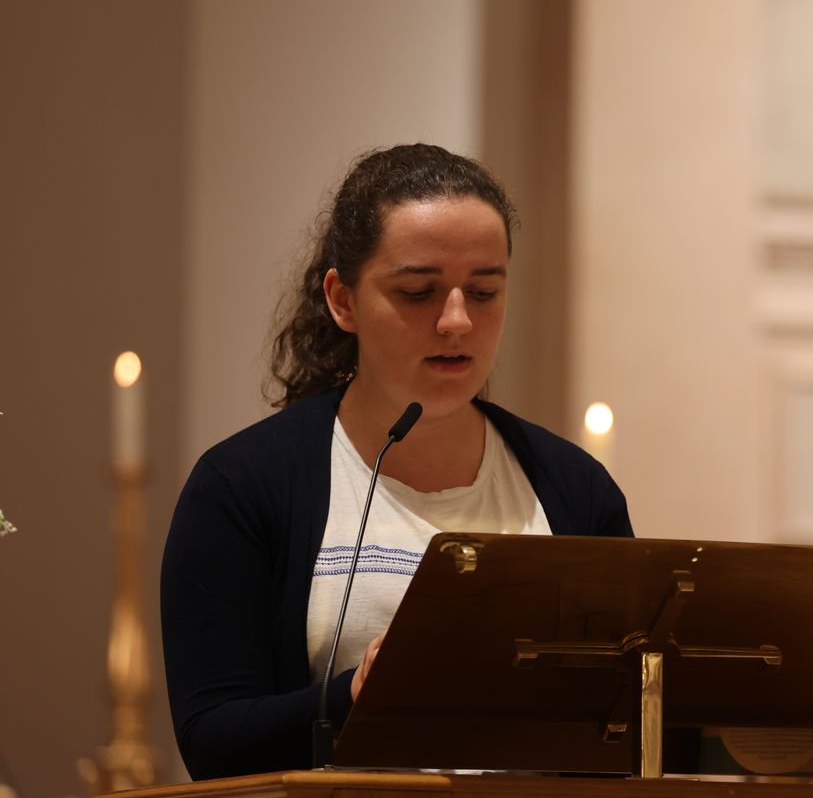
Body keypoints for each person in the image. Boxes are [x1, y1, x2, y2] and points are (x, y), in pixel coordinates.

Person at [160, 144, 634, 781]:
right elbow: (213, 742)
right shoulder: (243, 486)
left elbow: (629, 731)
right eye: (418, 292)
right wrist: (359, 694)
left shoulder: (576, 489)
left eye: (486, 291)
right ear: (343, 299)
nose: (457, 321)